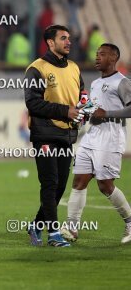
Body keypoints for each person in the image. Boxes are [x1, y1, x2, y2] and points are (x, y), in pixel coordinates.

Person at [62, 44, 131, 244]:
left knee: (105, 185)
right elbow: (94, 110)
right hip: (91, 137)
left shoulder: (122, 83)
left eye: (102, 54)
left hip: (110, 139)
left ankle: (129, 221)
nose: (97, 57)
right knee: (78, 182)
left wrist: (106, 114)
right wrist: (80, 114)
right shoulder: (95, 84)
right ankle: (72, 227)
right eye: (97, 54)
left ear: (113, 57)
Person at [24, 25, 84, 247]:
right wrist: (65, 111)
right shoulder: (37, 69)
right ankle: (54, 234)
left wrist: (82, 111)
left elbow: (81, 96)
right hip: (45, 134)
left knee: (59, 187)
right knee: (50, 184)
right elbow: (32, 102)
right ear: (50, 42)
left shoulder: (75, 68)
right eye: (63, 38)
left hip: (67, 134)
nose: (69, 42)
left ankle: (36, 226)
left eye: (69, 38)